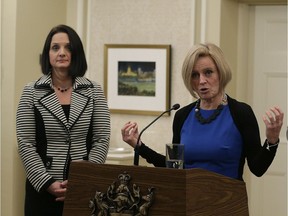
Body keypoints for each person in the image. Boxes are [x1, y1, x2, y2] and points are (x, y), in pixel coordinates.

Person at [121, 42, 284, 181]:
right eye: (194, 75)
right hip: (188, 204)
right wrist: (139, 145)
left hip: (228, 204)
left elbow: (258, 168)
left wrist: (271, 140)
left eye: (208, 72)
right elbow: (173, 167)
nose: (201, 81)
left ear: (221, 73)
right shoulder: (182, 116)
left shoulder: (241, 112)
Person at [16, 24, 111, 216]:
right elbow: (26, 144)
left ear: (76, 53)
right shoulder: (31, 92)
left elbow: (101, 139)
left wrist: (83, 180)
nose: (61, 53)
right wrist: (47, 182)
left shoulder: (94, 91)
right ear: (47, 54)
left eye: (68, 47)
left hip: (83, 191)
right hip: (42, 191)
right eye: (55, 47)